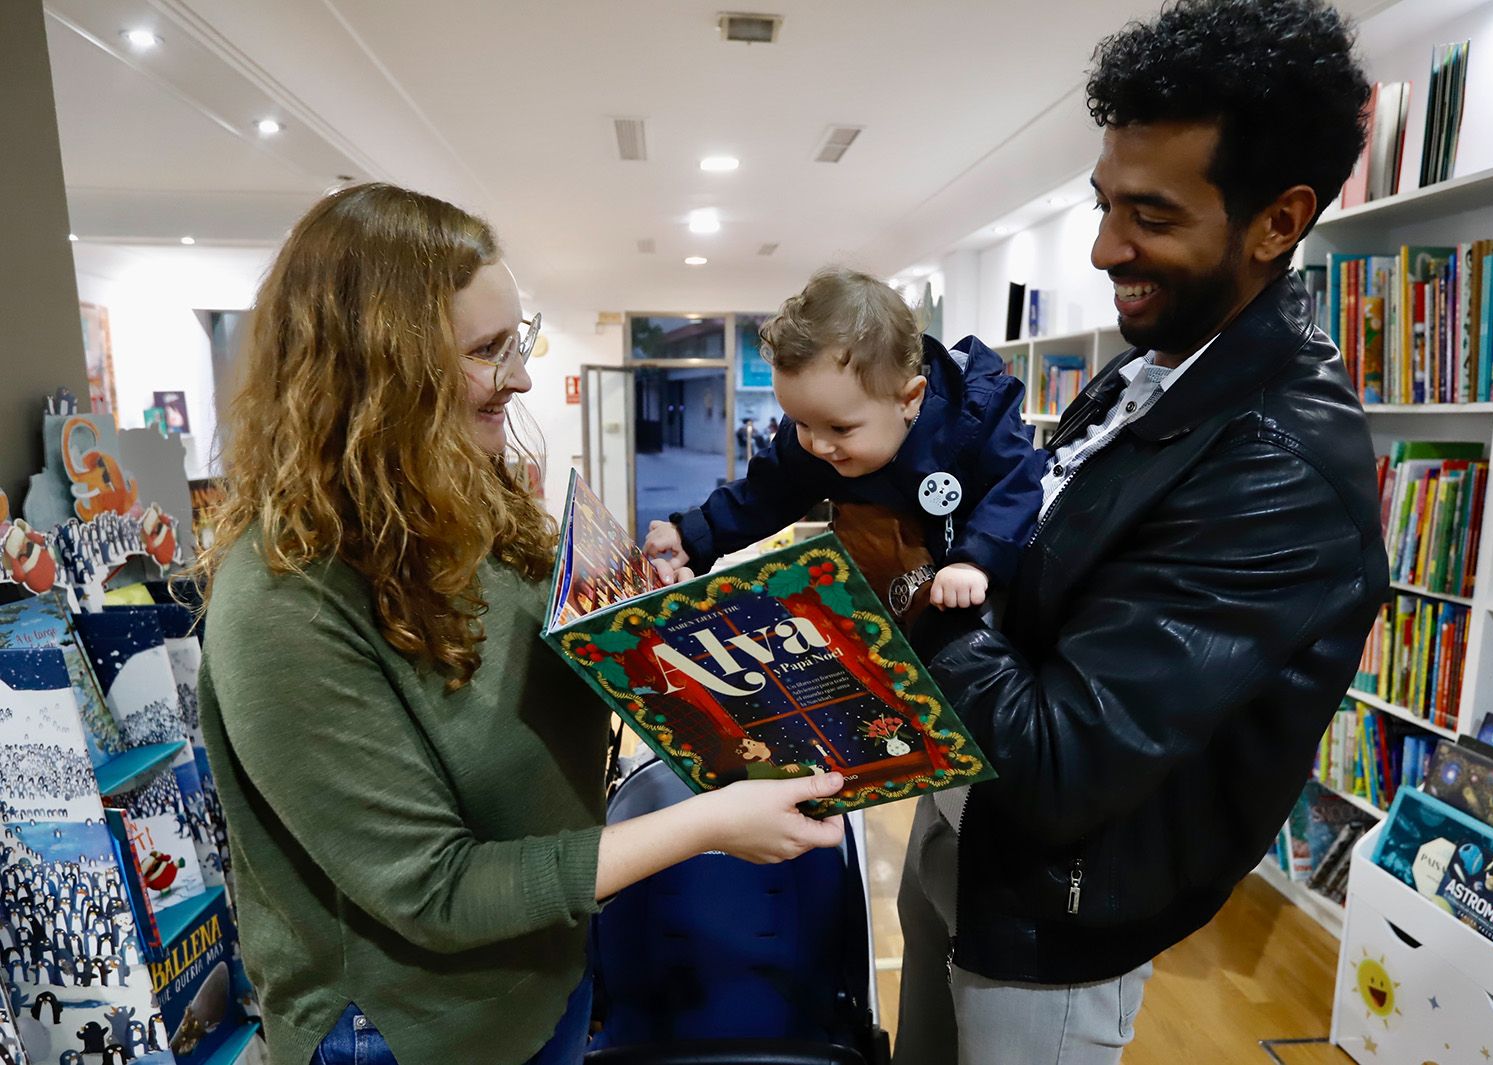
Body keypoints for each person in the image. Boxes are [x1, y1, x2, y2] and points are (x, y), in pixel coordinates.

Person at [194, 183, 845, 1065]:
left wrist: (650, 621)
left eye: (517, 339)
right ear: (383, 373)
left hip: (540, 972)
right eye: (487, 350)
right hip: (414, 1029)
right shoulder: (284, 599)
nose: (525, 376)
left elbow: (536, 679)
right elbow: (434, 890)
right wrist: (707, 824)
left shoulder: (459, 495)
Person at [888, 2, 1387, 1063]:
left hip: (1055, 907)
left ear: (1277, 221)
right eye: (1105, 202)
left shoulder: (1276, 465)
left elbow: (1066, 765)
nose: (1104, 246)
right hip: (963, 820)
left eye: (1150, 216)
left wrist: (918, 583)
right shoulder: (1150, 368)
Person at [644, 266, 1044, 613]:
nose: (818, 445)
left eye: (840, 429)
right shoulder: (818, 432)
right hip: (880, 601)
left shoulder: (976, 414)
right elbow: (764, 495)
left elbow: (1015, 486)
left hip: (975, 599)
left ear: (910, 398)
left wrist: (974, 562)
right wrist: (691, 536)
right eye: (800, 423)